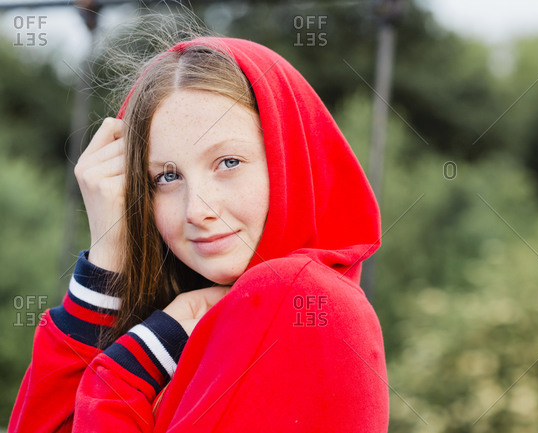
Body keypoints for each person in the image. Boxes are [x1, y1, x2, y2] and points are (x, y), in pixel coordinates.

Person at [9, 33, 388, 432]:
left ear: (288, 157)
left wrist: (123, 372)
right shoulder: (192, 324)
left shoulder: (298, 295)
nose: (197, 210)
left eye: (228, 162)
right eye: (167, 176)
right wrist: (108, 258)